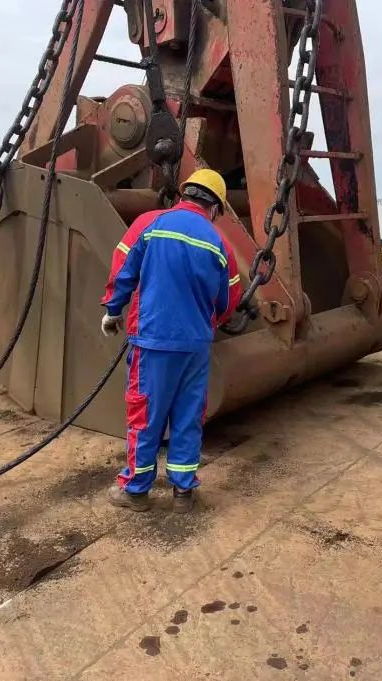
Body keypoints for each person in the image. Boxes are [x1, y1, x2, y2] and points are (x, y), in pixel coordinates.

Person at [100, 169, 242, 513]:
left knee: (145, 416)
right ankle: (183, 493)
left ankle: (136, 491)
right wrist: (206, 322)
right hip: (195, 348)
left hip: (153, 342)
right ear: (215, 207)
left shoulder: (150, 223)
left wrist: (113, 310)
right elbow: (228, 300)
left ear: (184, 194)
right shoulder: (219, 242)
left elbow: (123, 270)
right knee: (188, 417)